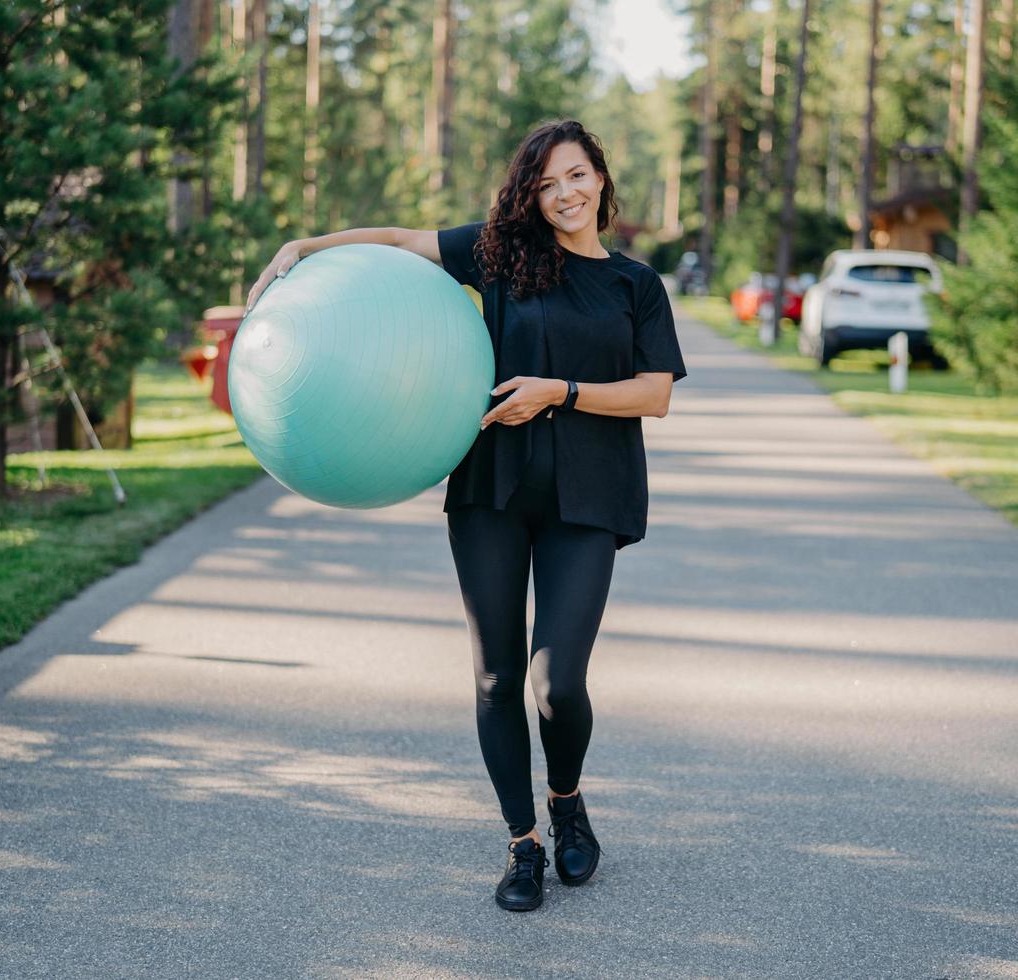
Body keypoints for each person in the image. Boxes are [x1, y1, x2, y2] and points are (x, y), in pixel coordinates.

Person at [245, 119, 687, 912]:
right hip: (492, 488)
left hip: (589, 498)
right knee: (494, 675)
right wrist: (302, 250)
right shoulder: (502, 257)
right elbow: (396, 240)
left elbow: (654, 394)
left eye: (577, 176)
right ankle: (522, 845)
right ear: (532, 193)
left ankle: (567, 801)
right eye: (548, 183)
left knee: (557, 682)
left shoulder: (634, 284)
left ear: (601, 179)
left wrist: (562, 393)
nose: (565, 195)